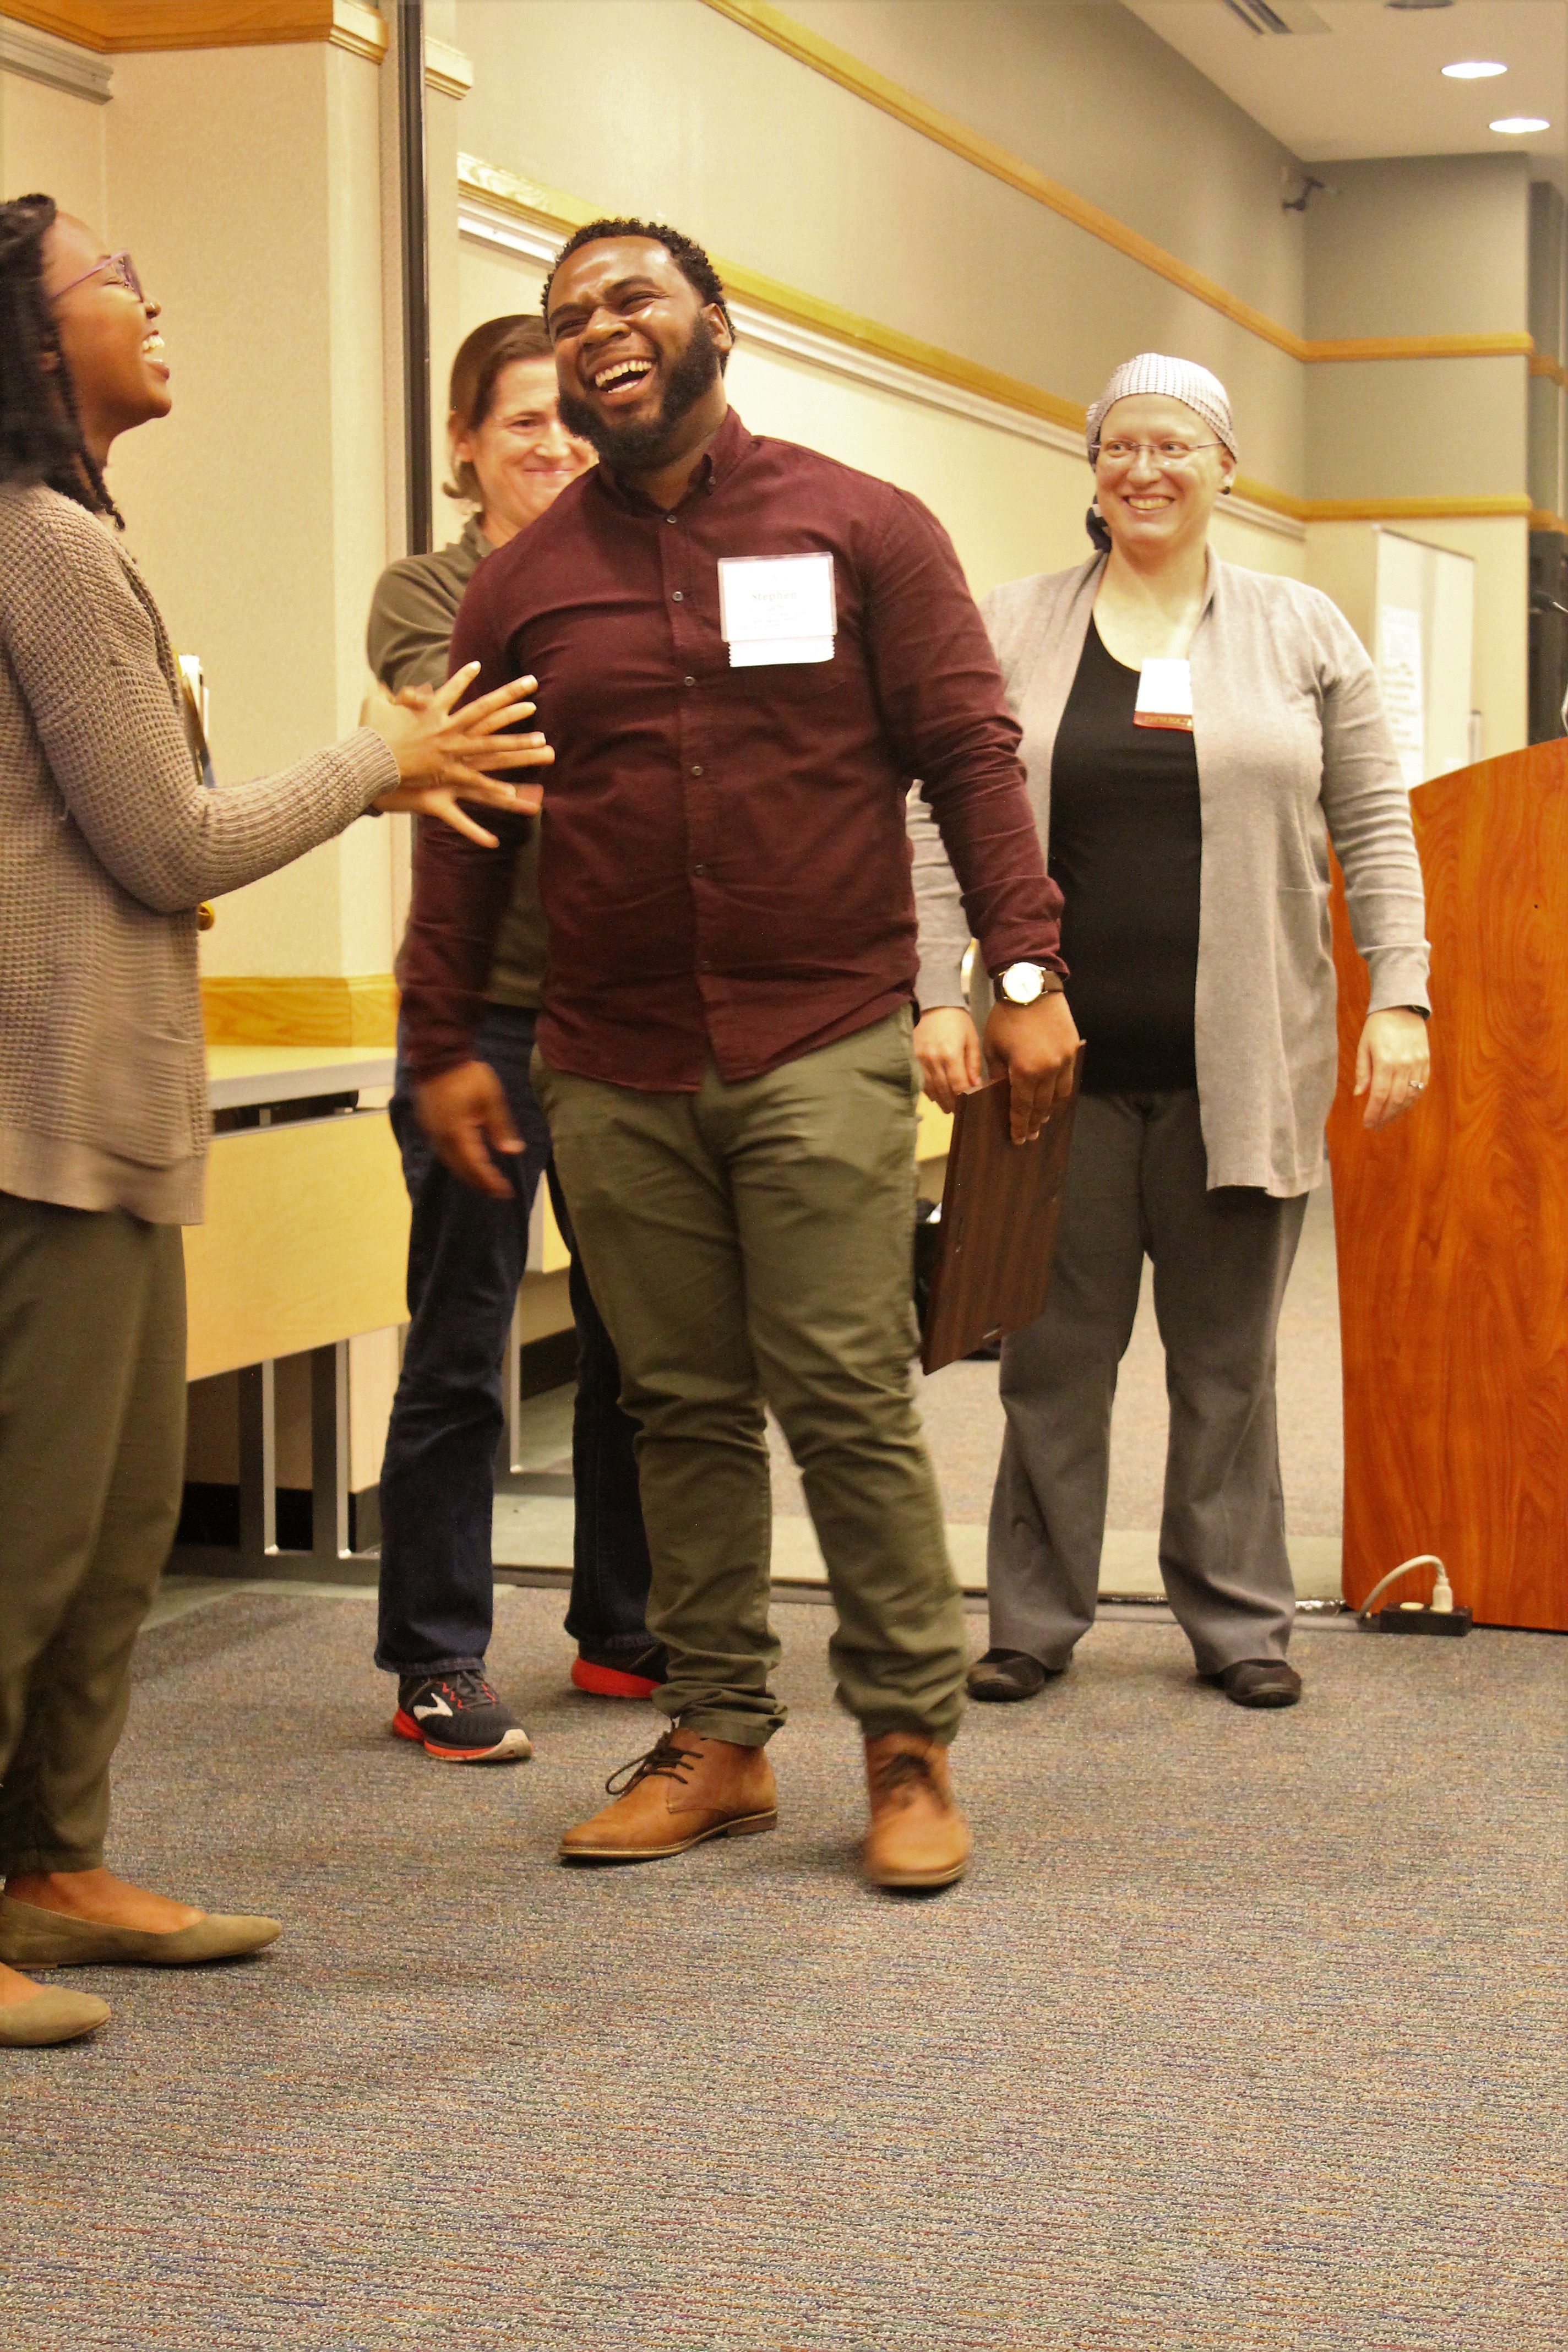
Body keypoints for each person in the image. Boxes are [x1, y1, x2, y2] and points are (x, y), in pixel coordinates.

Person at [401, 217, 1080, 1892]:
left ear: (716, 320)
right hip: (612, 1062)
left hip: (819, 1036)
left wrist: (1021, 965)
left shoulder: (861, 525)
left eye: (630, 298)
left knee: (845, 1387)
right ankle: (719, 1735)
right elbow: (468, 824)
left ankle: (908, 1740)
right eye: (569, 318)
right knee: (680, 1405)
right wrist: (436, 1036)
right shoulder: (525, 578)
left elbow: (970, 754)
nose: (598, 331)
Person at [0, 196, 548, 2048]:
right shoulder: (44, 544)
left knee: (118, 1523)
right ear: (25, 328)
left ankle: (54, 1868)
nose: (151, 296)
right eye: (110, 277)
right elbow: (172, 841)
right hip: (40, 1109)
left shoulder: (75, 538)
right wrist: (379, 763)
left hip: (110, 1099)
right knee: (30, 1537)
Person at [910, 352, 1431, 1712]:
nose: (1144, 470)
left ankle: (1239, 1618)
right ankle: (1030, 1615)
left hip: (1240, 1070)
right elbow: (928, 812)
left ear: (1222, 468)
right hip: (1050, 1077)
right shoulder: (1012, 623)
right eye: (1119, 447)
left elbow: (1375, 826)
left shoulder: (1301, 628)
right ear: (1092, 470)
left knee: (1225, 1365)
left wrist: (1405, 994)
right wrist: (929, 989)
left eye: (1174, 446)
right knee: (1048, 1361)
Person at [368, 315, 661, 1767]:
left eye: (570, 419)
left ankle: (623, 1629)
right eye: (521, 420)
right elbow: (497, 745)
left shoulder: (646, 567)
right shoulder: (429, 590)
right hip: (480, 1011)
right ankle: (433, 1655)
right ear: (466, 443)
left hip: (621, 1013)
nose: (554, 443)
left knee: (633, 1344)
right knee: (464, 1344)